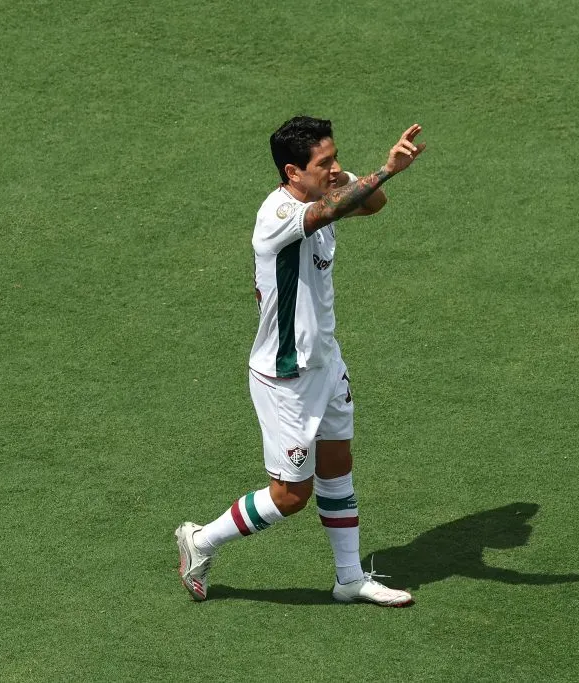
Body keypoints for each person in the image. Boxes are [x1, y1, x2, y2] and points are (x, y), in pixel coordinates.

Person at [175, 116, 426, 606]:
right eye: (323, 163)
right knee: (290, 497)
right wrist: (386, 170)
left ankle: (349, 578)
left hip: (326, 363)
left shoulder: (324, 189)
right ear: (292, 172)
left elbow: (372, 204)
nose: (334, 168)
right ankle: (200, 540)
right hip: (285, 376)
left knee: (338, 466)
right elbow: (332, 209)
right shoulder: (278, 215)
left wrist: (358, 176)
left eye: (335, 158)